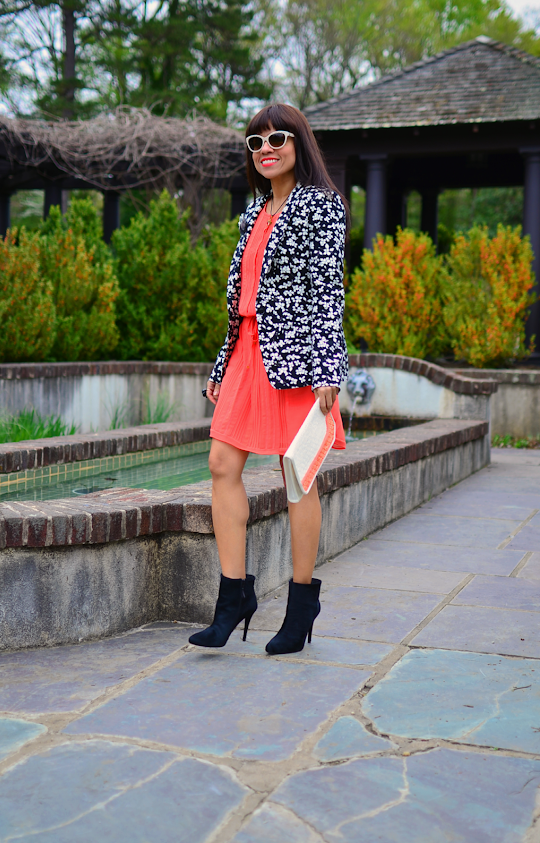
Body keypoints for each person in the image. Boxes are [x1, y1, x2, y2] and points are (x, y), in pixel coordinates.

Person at [189, 103, 349, 655]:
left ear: (299, 143)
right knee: (220, 463)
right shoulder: (252, 213)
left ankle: (301, 605)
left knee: (297, 475)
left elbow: (328, 291)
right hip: (247, 354)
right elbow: (242, 303)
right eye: (255, 143)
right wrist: (221, 364)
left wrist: (329, 368)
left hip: (299, 358)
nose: (266, 149)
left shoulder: (322, 207)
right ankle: (234, 598)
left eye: (277, 138)